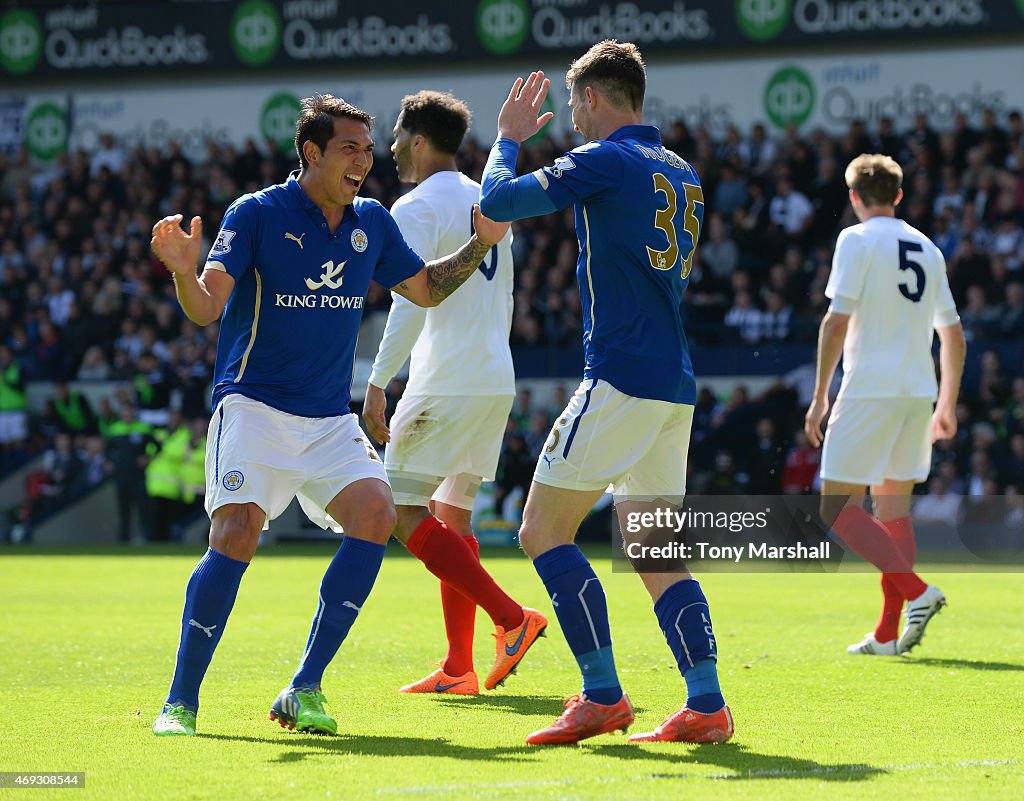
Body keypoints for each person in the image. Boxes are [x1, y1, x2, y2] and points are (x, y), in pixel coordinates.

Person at [149, 94, 511, 737]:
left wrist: (479, 244)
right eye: (350, 148)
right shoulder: (256, 213)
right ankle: (181, 700)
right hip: (253, 405)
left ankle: (306, 686)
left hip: (326, 418)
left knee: (376, 514)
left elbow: (424, 289)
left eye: (369, 149)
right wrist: (183, 272)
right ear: (311, 153)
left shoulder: (372, 220)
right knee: (236, 534)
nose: (365, 161)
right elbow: (206, 308)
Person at [479, 42, 733, 745]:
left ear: (592, 96)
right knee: (656, 550)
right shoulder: (681, 171)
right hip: (673, 380)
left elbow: (496, 203)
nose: (570, 119)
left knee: (540, 529)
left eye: (572, 105)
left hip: (621, 374)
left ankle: (601, 694)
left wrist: (505, 138)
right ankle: (706, 702)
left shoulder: (606, 160)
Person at [362, 90, 546, 696]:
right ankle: (460, 667)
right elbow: (507, 294)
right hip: (493, 375)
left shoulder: (413, 205)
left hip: (446, 378)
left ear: (417, 141)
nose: (389, 148)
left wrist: (377, 383)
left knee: (396, 510)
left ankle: (512, 618)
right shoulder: (487, 198)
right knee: (451, 514)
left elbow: (410, 301)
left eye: (395, 136)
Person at [804, 153, 966, 657]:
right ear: (898, 195)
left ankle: (918, 593)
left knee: (836, 507)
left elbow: (835, 322)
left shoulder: (854, 239)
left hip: (870, 388)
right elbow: (954, 337)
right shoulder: (928, 247)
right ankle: (889, 634)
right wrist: (947, 404)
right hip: (918, 390)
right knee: (893, 511)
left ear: (854, 197)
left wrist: (818, 397)